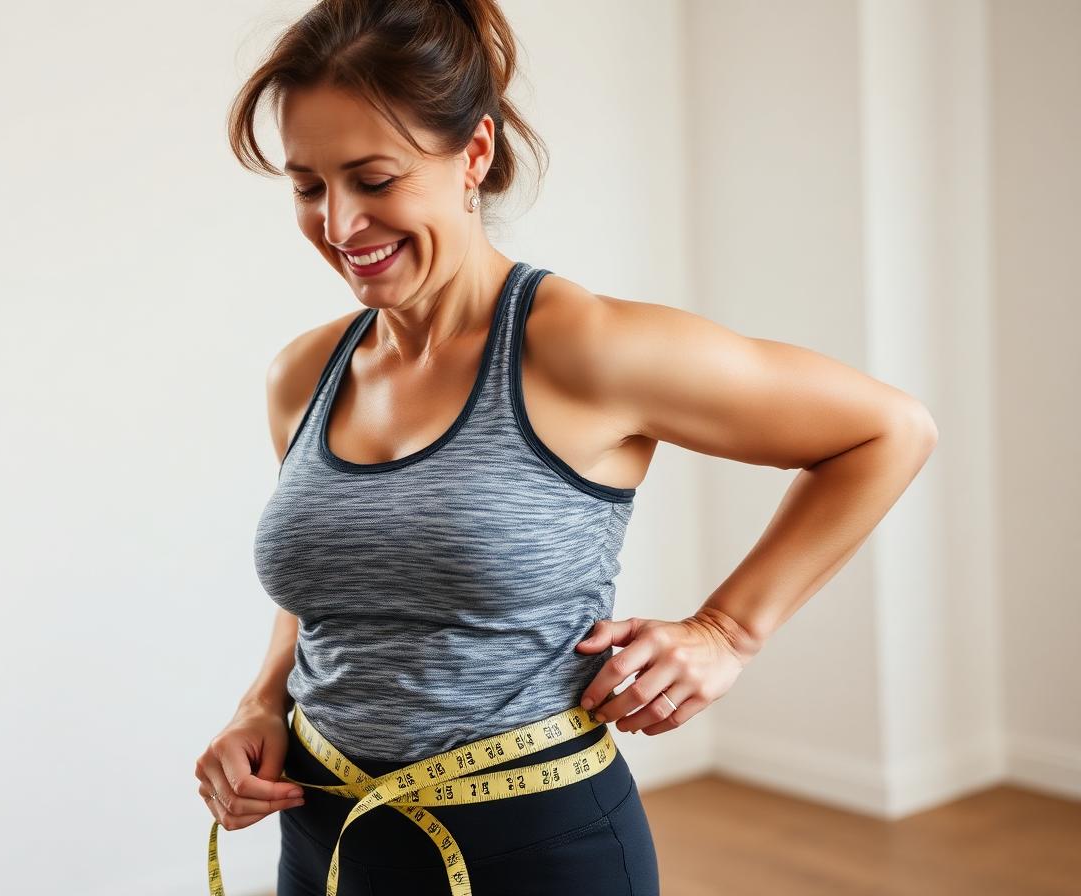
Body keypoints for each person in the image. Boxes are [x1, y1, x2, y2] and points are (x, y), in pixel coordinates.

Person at [194, 1, 938, 894]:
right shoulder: (306, 373)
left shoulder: (580, 348)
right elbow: (338, 585)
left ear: (473, 154)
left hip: (536, 845)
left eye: (375, 178)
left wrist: (728, 631)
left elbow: (886, 429)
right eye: (310, 186)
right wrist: (260, 700)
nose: (341, 224)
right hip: (328, 832)